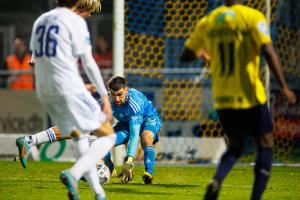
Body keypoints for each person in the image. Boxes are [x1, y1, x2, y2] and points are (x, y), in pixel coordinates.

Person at [179, 0, 296, 200]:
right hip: (250, 95)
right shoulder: (252, 17)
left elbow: (185, 55)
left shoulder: (209, 21)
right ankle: (256, 196)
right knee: (266, 143)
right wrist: (284, 86)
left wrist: (204, 53)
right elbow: (268, 50)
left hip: (223, 98)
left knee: (235, 146)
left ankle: (216, 180)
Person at [27, 0, 116, 199]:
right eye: (90, 12)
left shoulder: (41, 20)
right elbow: (89, 62)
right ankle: (74, 173)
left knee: (80, 136)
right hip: (69, 88)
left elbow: (35, 59)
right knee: (108, 135)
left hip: (45, 91)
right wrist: (104, 97)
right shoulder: (74, 22)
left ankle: (98, 193)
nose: (89, 16)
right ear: (82, 7)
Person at [16, 76, 161, 185]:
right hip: (125, 124)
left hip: (148, 120)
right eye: (113, 94)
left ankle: (148, 172)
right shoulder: (106, 101)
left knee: (146, 138)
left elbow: (134, 134)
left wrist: (129, 160)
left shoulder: (134, 103)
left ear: (126, 90)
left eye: (120, 95)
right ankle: (30, 140)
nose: (116, 99)